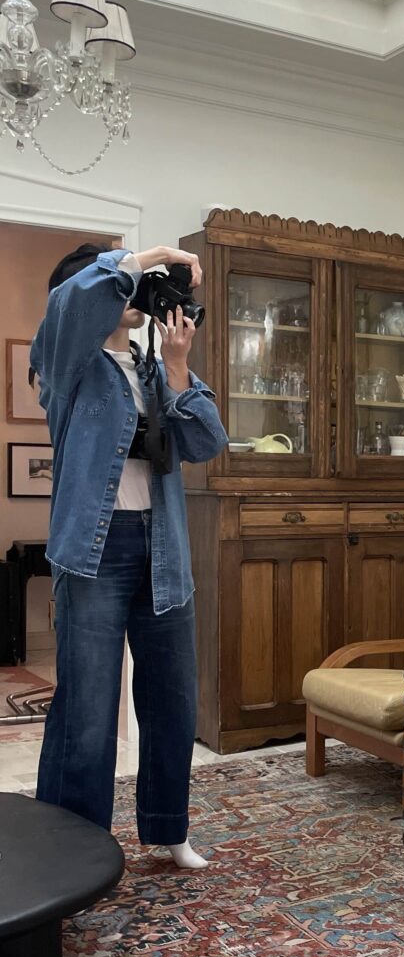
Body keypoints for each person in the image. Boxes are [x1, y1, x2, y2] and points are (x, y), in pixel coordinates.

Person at [31, 242, 228, 867]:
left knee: (172, 698)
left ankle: (169, 828)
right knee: (87, 708)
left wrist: (176, 367)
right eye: (127, 282)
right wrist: (150, 255)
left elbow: (206, 441)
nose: (138, 293)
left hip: (163, 547)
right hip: (93, 551)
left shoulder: (149, 368)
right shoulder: (66, 363)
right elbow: (73, 301)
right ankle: (73, 847)